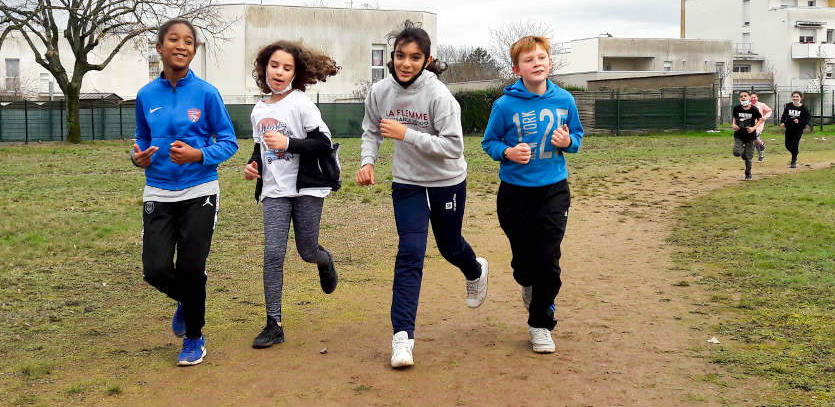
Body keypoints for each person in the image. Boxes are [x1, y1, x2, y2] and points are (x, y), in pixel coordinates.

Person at [356, 20, 488, 369]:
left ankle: (474, 269)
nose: (405, 63)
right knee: (410, 253)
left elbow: (453, 147)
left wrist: (406, 134)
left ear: (427, 61)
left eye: (415, 57)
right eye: (400, 55)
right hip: (408, 182)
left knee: (449, 246)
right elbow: (371, 130)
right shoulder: (379, 92)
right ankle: (402, 337)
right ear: (392, 56)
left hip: (447, 180)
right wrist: (368, 162)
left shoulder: (439, 96)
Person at [131, 18, 238, 366]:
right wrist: (137, 157)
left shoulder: (207, 93)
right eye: (173, 40)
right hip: (158, 191)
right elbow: (141, 138)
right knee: (155, 270)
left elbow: (229, 142)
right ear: (159, 47)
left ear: (194, 50)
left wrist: (198, 155)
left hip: (199, 190)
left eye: (188, 41)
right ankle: (187, 299)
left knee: (192, 269)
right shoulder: (146, 95)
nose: (181, 46)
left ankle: (194, 337)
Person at [481, 35, 583, 354]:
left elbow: (577, 136)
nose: (536, 63)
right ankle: (528, 283)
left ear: (549, 62)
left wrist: (568, 142)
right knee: (525, 263)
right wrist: (508, 152)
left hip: (554, 190)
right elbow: (489, 142)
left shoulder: (564, 99)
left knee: (549, 259)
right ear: (517, 69)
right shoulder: (504, 105)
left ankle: (540, 323)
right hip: (515, 194)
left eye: (541, 57)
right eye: (529, 59)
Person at [243, 41, 342, 348]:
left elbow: (323, 143)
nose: (279, 72)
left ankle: (324, 261)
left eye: (287, 68)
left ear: (295, 73)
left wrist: (288, 144)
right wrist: (253, 165)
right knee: (273, 254)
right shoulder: (259, 109)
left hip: (306, 187)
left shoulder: (301, 104)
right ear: (264, 68)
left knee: (306, 250)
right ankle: (274, 324)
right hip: (274, 191)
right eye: (274, 65)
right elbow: (260, 147)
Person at [732, 90, 763, 181]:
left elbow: (760, 119)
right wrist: (734, 125)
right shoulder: (737, 108)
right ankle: (743, 154)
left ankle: (748, 174)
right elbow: (735, 118)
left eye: (745, 96)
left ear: (749, 97)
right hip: (739, 135)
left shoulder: (754, 109)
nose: (743, 97)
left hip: (750, 136)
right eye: (741, 96)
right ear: (739, 98)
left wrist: (754, 128)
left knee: (748, 157)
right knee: (736, 153)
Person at [780, 91, 811, 168]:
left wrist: (799, 121)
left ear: (801, 98)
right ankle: (795, 153)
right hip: (789, 127)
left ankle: (793, 161)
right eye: (794, 96)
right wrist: (782, 122)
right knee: (787, 145)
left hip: (798, 129)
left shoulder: (803, 108)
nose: (795, 98)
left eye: (797, 96)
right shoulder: (789, 105)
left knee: (795, 143)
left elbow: (807, 119)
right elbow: (784, 115)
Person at [749, 93, 772, 162]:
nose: (753, 99)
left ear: (757, 98)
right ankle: (761, 156)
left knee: (754, 136)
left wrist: (765, 117)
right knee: (756, 142)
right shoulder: (748, 105)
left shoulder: (762, 105)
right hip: (750, 124)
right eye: (751, 97)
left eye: (754, 97)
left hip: (759, 124)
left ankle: (762, 143)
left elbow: (769, 110)